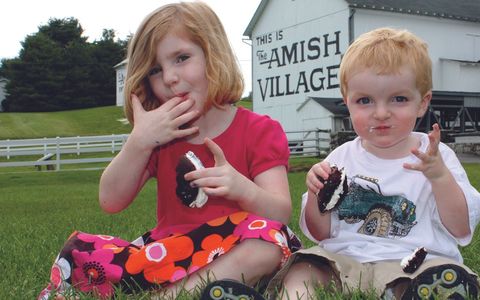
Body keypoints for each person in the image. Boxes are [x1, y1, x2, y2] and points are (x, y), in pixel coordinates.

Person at [37, 2, 300, 299]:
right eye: (155, 70)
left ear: (213, 55)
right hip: (170, 253)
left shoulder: (259, 130)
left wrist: (242, 188)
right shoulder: (159, 137)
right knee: (81, 251)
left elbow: (280, 214)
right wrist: (140, 141)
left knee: (267, 242)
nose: (170, 78)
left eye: (182, 58)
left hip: (238, 249)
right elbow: (110, 199)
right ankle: (198, 290)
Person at [266, 28, 480, 299]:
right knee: (304, 268)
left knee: (440, 274)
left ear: (422, 103)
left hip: (416, 262)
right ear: (348, 104)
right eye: (365, 101)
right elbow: (319, 233)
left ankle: (406, 292)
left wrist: (439, 177)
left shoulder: (436, 156)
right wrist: (316, 194)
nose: (381, 113)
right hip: (344, 261)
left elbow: (460, 228)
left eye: (399, 98)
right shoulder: (340, 159)